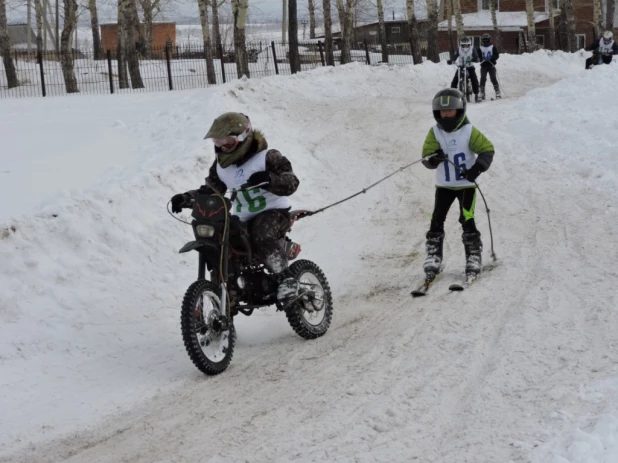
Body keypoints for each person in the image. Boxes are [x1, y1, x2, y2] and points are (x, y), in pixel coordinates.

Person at [170, 112, 300, 303]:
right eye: (217, 142)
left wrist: (269, 179)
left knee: (261, 234)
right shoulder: (221, 167)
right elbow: (211, 192)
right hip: (243, 217)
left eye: (228, 142)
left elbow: (292, 182)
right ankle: (227, 293)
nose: (222, 147)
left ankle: (286, 278)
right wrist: (186, 198)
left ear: (243, 137)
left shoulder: (267, 157)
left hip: (274, 212)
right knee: (221, 240)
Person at [420, 89, 495, 280]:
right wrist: (433, 159)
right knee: (436, 219)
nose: (446, 115)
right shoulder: (435, 132)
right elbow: (426, 156)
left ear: (460, 110)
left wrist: (477, 168)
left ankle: (473, 256)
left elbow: (487, 150)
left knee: (467, 218)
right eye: (442, 112)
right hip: (444, 186)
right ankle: (434, 255)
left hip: (466, 187)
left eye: (450, 111)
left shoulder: (469, 131)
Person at [447, 36, 480, 103]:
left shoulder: (472, 49)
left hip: (470, 67)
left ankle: (476, 94)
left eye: (467, 44)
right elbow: (454, 56)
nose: (465, 46)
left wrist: (476, 59)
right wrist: (451, 60)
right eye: (463, 44)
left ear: (469, 44)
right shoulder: (458, 49)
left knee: (474, 80)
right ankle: (452, 95)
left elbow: (476, 57)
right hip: (461, 67)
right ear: (461, 44)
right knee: (455, 80)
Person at [477, 33, 501, 100]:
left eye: (487, 40)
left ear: (489, 40)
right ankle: (482, 92)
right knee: (483, 78)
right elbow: (478, 56)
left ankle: (497, 91)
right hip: (483, 65)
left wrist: (492, 57)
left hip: (491, 65)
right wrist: (481, 59)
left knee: (493, 78)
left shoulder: (493, 47)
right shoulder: (480, 48)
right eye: (484, 40)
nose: (485, 42)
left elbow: (497, 55)